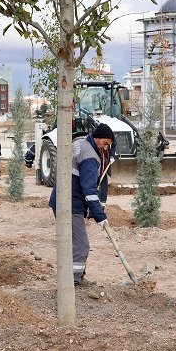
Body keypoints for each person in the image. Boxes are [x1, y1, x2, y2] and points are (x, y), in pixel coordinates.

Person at [49, 123, 114, 287]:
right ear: (97, 138)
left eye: (109, 145)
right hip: (71, 203)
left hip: (62, 199)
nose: (106, 148)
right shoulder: (91, 157)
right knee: (82, 245)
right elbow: (89, 190)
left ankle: (72, 278)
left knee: (73, 243)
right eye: (105, 143)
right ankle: (75, 281)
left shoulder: (79, 143)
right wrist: (100, 215)